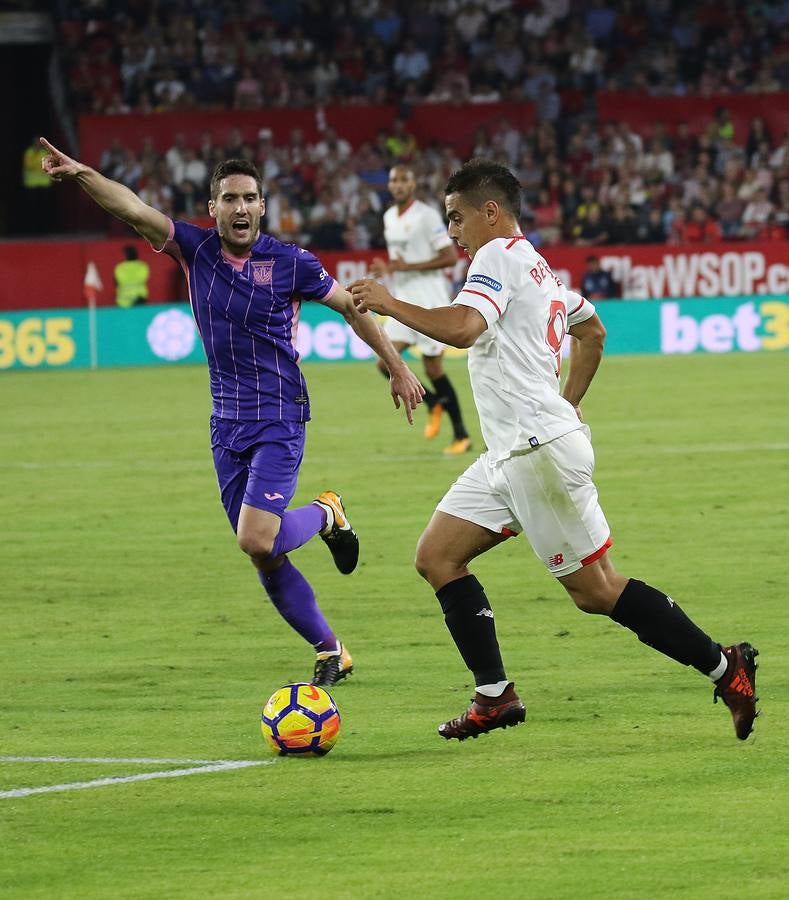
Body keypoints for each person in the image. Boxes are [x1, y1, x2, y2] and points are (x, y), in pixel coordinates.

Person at [350, 159, 758, 742]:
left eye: (457, 218)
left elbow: (466, 328)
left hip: (535, 451)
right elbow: (592, 331)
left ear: (491, 212)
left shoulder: (496, 257)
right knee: (437, 556)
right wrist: (567, 402)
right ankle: (494, 695)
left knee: (597, 591)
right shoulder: (542, 271)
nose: (453, 233)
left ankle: (726, 667)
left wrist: (391, 304)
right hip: (511, 452)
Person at [40, 137, 423, 688]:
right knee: (262, 555)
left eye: (249, 198)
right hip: (226, 424)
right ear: (213, 207)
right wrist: (81, 174)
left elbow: (352, 308)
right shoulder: (193, 250)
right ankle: (331, 649)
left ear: (262, 207)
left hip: (279, 415)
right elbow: (130, 207)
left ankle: (324, 512)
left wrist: (397, 366)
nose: (240, 208)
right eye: (229, 199)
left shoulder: (291, 263)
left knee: (255, 537)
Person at [370, 164, 472, 455]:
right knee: (383, 361)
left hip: (429, 301)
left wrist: (405, 266)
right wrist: (389, 268)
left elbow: (449, 258)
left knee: (433, 368)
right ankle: (434, 403)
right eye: (394, 180)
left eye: (404, 179)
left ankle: (461, 436)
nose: (398, 185)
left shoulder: (426, 216)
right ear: (389, 186)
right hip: (402, 300)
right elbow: (401, 261)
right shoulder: (389, 216)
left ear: (413, 185)